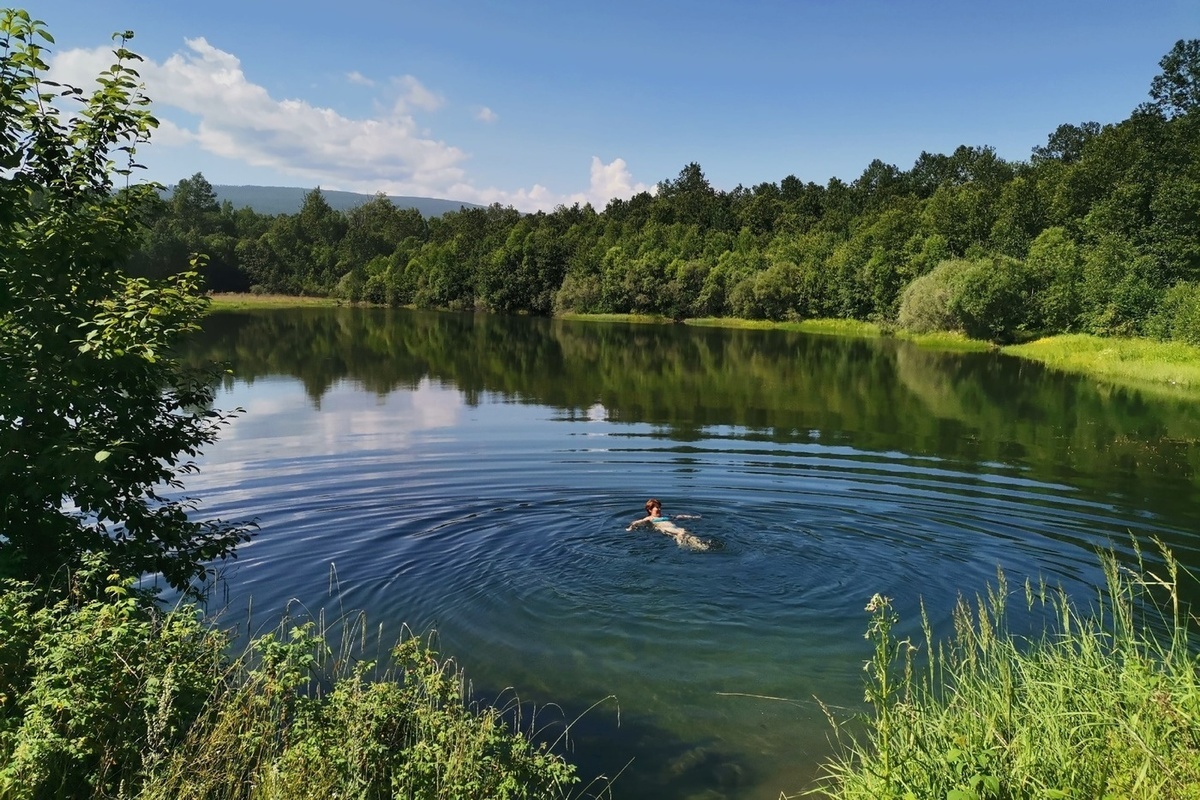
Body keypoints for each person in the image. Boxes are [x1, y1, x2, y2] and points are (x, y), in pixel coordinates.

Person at [627, 498, 710, 551]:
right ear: (649, 509)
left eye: (659, 507)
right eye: (657, 508)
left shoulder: (666, 516)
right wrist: (630, 528)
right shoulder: (650, 518)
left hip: (677, 528)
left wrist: (693, 517)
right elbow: (637, 522)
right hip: (666, 529)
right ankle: (689, 547)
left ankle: (701, 546)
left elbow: (679, 516)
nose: (659, 509)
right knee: (680, 534)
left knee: (685, 533)